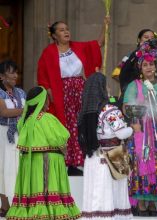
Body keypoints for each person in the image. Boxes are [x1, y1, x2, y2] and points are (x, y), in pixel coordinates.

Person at [37, 18, 108, 175]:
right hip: (61, 92)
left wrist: (104, 25)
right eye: (61, 30)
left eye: (67, 29)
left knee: (81, 123)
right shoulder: (48, 52)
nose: (66, 31)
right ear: (54, 35)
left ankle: (82, 159)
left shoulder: (77, 47)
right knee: (67, 125)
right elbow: (42, 75)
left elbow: (98, 44)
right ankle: (67, 161)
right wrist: (49, 93)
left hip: (80, 90)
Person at [6, 86, 80, 220]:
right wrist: (63, 148)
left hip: (30, 162)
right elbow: (61, 137)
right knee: (47, 184)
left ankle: (33, 208)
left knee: (36, 186)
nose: (49, 102)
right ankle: (48, 209)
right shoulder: (47, 118)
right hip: (48, 160)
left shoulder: (24, 121)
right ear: (42, 101)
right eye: (47, 99)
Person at [123, 40, 157, 216]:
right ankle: (142, 203)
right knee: (141, 164)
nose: (149, 67)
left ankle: (152, 203)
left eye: (151, 64)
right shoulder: (134, 85)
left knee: (156, 166)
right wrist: (136, 123)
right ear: (140, 67)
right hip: (141, 131)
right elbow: (127, 106)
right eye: (145, 64)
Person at [78, 72, 134, 219]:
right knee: (113, 197)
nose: (109, 88)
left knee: (95, 198)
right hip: (113, 157)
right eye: (107, 85)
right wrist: (132, 128)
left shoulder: (85, 112)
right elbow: (121, 134)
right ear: (102, 88)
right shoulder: (109, 109)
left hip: (93, 159)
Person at [0, 61, 25, 216]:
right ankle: (5, 206)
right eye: (11, 72)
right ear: (1, 76)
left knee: (17, 168)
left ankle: (18, 204)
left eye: (16, 72)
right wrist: (24, 110)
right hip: (3, 134)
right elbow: (4, 112)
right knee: (3, 169)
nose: (15, 76)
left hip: (20, 134)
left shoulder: (21, 92)